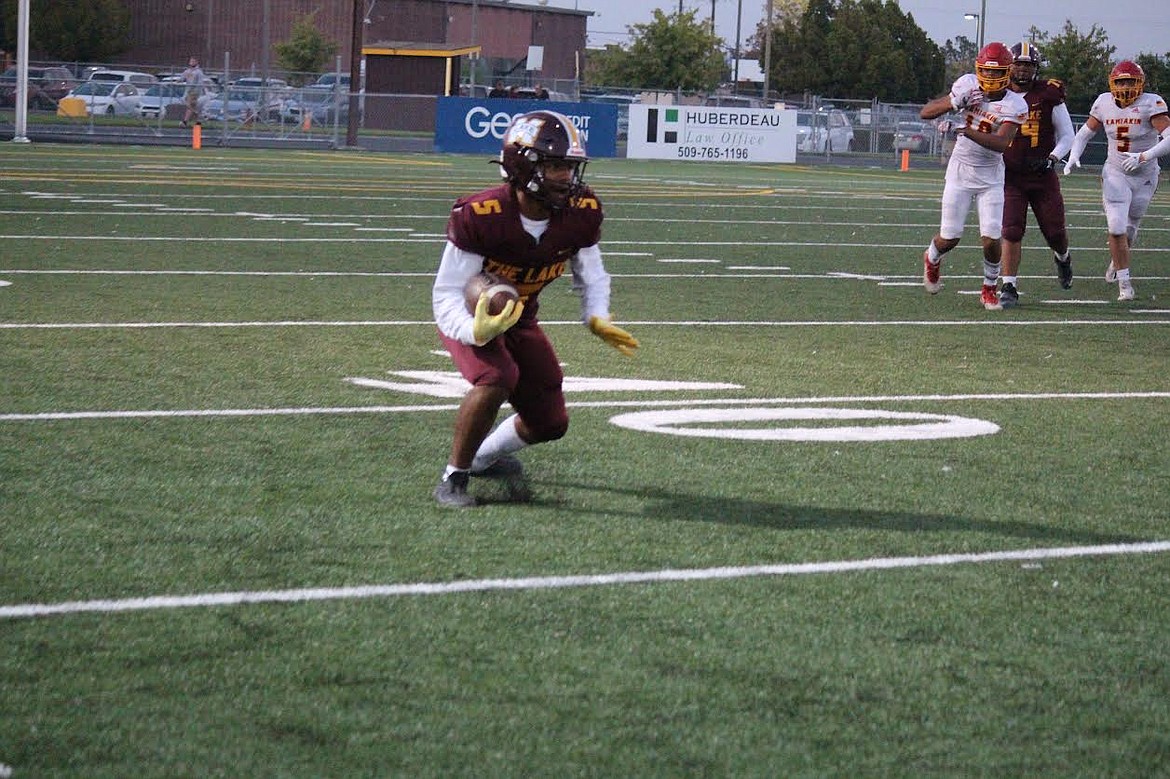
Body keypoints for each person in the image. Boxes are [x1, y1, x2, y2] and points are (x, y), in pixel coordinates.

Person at [431, 110, 640, 508]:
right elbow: (445, 293)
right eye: (556, 166)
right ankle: (453, 478)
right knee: (496, 374)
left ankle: (481, 458)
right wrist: (475, 330)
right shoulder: (482, 215)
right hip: (468, 313)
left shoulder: (580, 211)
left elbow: (591, 273)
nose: (566, 177)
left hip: (520, 317)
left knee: (550, 422)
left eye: (570, 167)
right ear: (522, 164)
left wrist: (597, 315)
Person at [918, 42, 1029, 310]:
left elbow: (1001, 144)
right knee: (950, 237)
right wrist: (955, 102)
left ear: (1007, 72)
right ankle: (932, 257)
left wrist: (966, 131)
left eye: (996, 72)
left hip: (991, 175)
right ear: (978, 70)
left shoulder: (1015, 104)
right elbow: (925, 112)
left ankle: (989, 288)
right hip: (960, 170)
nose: (990, 78)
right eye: (986, 72)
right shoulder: (966, 84)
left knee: (991, 237)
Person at [1063, 61, 1170, 301]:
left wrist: (1144, 156)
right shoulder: (1103, 102)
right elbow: (1084, 133)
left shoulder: (1151, 103)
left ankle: (1117, 261)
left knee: (1130, 227)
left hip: (1145, 175)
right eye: (1120, 81)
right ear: (1112, 83)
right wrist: (1073, 156)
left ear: (1140, 84)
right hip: (1115, 172)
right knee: (1116, 226)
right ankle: (1125, 283)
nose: (1125, 86)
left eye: (1130, 81)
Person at [998, 41, 1076, 307]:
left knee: (1054, 231)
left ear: (1035, 68)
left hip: (1042, 174)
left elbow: (1067, 135)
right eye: (1018, 64)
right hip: (1009, 174)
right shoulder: (996, 93)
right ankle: (1008, 285)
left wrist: (1053, 158)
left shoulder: (1048, 93)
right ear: (1010, 66)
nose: (1022, 70)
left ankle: (1063, 258)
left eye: (1027, 65)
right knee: (1010, 228)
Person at [180, 56, 205, 127]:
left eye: (193, 61)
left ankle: (185, 122)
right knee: (193, 108)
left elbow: (200, 83)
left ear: (196, 62)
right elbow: (182, 78)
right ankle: (198, 122)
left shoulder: (198, 72)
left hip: (194, 92)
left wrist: (195, 91)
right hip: (188, 92)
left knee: (190, 106)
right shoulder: (187, 71)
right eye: (191, 61)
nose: (192, 63)